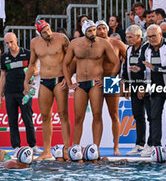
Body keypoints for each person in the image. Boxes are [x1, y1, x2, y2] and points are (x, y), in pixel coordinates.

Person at [62, 20, 119, 151]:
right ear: (84, 32)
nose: (94, 33)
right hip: (80, 83)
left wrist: (108, 80)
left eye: (94, 30)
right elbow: (65, 64)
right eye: (90, 31)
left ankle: (96, 148)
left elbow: (116, 62)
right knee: (78, 117)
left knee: (98, 114)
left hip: (96, 83)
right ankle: (75, 147)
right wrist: (69, 82)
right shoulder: (75, 43)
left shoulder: (106, 43)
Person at [130, 24, 166, 157]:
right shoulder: (145, 47)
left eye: (154, 36)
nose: (151, 39)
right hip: (154, 87)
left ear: (160, 35)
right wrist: (138, 68)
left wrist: (156, 68)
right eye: (149, 36)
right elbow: (142, 64)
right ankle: (155, 145)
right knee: (154, 116)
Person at [24, 20, 71, 160]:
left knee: (63, 114)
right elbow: (32, 64)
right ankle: (46, 151)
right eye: (44, 32)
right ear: (39, 33)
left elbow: (71, 59)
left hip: (59, 79)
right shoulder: (34, 43)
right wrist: (26, 82)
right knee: (45, 116)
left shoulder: (62, 38)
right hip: (44, 81)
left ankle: (67, 148)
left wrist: (67, 78)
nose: (48, 33)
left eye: (49, 29)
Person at [0, 33, 40, 155]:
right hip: (10, 93)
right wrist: (0, 95)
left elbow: (36, 70)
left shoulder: (27, 53)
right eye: (7, 43)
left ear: (16, 40)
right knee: (12, 120)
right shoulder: (4, 57)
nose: (10, 45)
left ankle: (33, 145)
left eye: (11, 42)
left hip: (24, 92)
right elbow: (3, 77)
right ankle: (16, 146)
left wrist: (31, 74)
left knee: (28, 118)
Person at [96, 20, 127, 155]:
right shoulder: (92, 45)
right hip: (96, 81)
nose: (101, 31)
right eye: (99, 29)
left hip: (112, 80)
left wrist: (123, 80)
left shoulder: (116, 43)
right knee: (96, 115)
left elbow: (128, 60)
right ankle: (96, 147)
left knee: (114, 114)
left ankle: (116, 147)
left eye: (103, 28)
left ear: (108, 30)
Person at [123, 25, 152, 156]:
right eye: (127, 37)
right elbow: (125, 69)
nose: (128, 39)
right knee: (138, 115)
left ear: (139, 37)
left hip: (148, 87)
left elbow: (149, 70)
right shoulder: (128, 50)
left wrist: (144, 86)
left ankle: (151, 144)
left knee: (152, 116)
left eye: (130, 37)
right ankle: (140, 144)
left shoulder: (147, 49)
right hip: (134, 86)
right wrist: (127, 86)